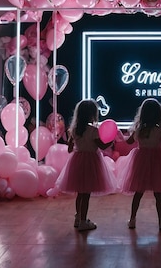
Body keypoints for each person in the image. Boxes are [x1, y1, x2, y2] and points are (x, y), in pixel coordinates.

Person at [118, 98, 161, 230]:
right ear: (158, 114)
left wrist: (120, 136)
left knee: (138, 193)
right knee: (158, 194)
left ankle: (132, 219)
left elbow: (128, 142)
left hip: (141, 161)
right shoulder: (160, 130)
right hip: (158, 162)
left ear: (143, 113)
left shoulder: (139, 129)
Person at [55, 99, 117, 231]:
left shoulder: (74, 130)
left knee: (80, 193)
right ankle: (83, 221)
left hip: (77, 161)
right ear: (92, 114)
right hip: (91, 162)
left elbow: (70, 149)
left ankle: (78, 217)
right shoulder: (93, 130)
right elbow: (102, 146)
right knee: (86, 194)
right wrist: (112, 140)